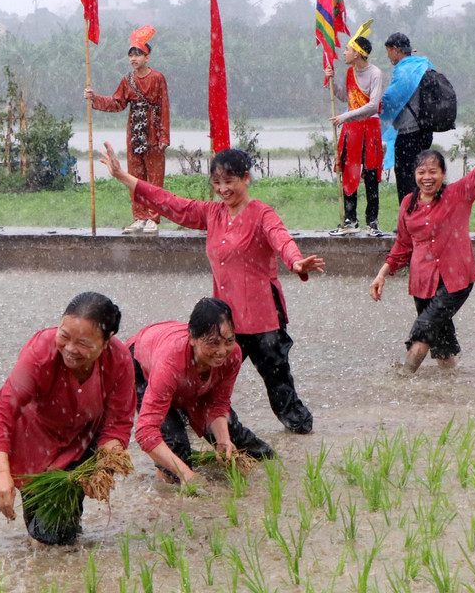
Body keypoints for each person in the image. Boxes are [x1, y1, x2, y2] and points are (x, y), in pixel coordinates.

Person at [100, 144, 324, 434]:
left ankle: (301, 432)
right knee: (203, 375)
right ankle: (208, 429)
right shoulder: (212, 214)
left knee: (279, 385)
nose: (223, 189)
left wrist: (296, 263)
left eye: (229, 181)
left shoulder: (262, 214)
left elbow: (281, 239)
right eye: (217, 182)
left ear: (246, 178)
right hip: (226, 321)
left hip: (263, 319)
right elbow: (170, 203)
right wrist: (123, 177)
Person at [0, 292, 136, 545]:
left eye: (84, 342)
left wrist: (104, 468)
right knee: (41, 533)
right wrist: (0, 474)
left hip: (85, 439)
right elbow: (2, 412)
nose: (70, 349)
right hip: (35, 441)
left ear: (107, 341)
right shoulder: (41, 352)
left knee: (60, 532)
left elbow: (118, 423)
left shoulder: (119, 360)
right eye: (64, 335)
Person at [370, 105, 475, 373]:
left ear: (443, 175)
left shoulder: (458, 195)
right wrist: (382, 274)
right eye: (422, 172)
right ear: (415, 175)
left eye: (433, 171)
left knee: (423, 329)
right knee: (441, 343)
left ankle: (402, 382)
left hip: (456, 279)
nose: (427, 177)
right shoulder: (408, 204)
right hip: (422, 281)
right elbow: (402, 246)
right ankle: (449, 386)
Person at [130, 297, 274, 485]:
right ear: (192, 338)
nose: (222, 351)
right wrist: (186, 475)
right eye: (213, 343)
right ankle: (164, 492)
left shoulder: (233, 355)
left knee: (241, 441)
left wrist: (223, 441)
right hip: (142, 367)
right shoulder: (170, 363)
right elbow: (145, 431)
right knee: (175, 441)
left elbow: (218, 403)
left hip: (184, 371)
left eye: (229, 340)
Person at [85, 25, 169, 235]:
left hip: (153, 131)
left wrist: (164, 135)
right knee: (135, 175)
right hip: (134, 132)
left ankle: (153, 217)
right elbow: (117, 103)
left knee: (155, 177)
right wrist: (94, 99)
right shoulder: (127, 80)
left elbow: (164, 106)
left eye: (138, 54)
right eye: (131, 54)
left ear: (147, 57)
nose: (134, 58)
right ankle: (139, 217)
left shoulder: (157, 78)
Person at [324, 19, 384, 237]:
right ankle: (350, 220)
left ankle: (372, 222)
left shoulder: (375, 73)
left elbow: (372, 106)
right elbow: (344, 97)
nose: (344, 52)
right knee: (349, 173)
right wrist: (332, 82)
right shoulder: (349, 73)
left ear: (357, 53)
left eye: (347, 49)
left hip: (369, 128)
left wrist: (346, 116)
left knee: (370, 175)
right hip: (351, 129)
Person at [380, 32, 434, 204]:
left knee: (405, 177)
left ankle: (409, 217)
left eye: (388, 51)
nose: (389, 56)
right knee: (423, 176)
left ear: (395, 49)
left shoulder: (404, 70)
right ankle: (424, 214)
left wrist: (373, 103)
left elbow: (390, 100)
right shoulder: (424, 65)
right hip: (426, 131)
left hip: (409, 133)